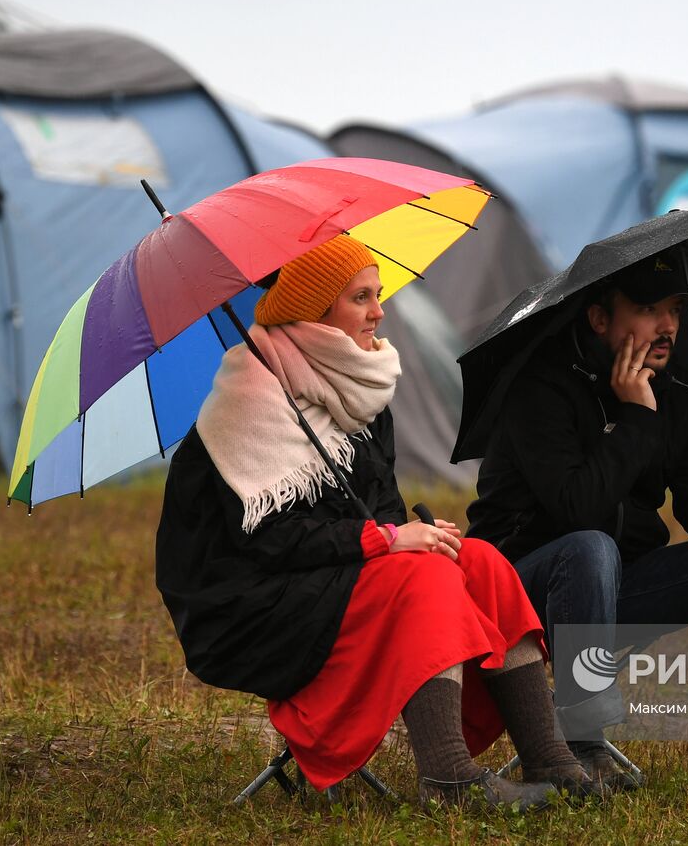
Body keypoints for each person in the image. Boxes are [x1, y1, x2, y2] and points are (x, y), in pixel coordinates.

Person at [156, 235, 592, 812]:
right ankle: (448, 778)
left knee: (476, 560)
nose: (379, 311)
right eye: (361, 297)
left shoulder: (359, 390)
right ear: (315, 310)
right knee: (423, 577)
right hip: (249, 606)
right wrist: (386, 541)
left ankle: (552, 760)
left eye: (378, 293)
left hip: (334, 577)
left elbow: (382, 508)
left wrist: (412, 536)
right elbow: (265, 541)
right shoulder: (246, 404)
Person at [466, 254, 688, 785]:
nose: (667, 325)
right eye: (648, 308)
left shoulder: (683, 387)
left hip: (616, 586)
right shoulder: (541, 387)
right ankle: (581, 746)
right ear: (600, 319)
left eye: (676, 309)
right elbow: (577, 508)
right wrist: (635, 420)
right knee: (589, 546)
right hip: (517, 594)